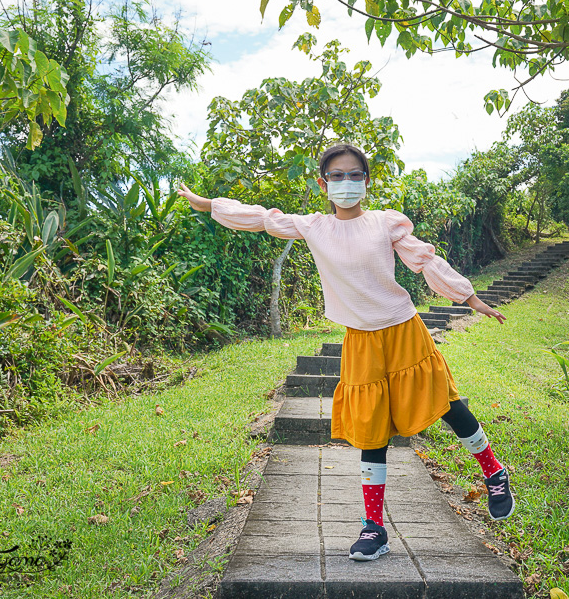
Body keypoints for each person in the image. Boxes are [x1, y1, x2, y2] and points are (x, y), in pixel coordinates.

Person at [177, 142, 515, 562]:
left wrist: (470, 298)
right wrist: (208, 203)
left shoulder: (384, 224)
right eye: (337, 176)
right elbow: (262, 218)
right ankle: (374, 527)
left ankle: (493, 472)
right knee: (371, 427)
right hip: (361, 339)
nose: (346, 183)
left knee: (444, 402)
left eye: (355, 174)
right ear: (323, 183)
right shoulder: (315, 226)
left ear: (366, 182)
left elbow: (426, 261)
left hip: (403, 329)